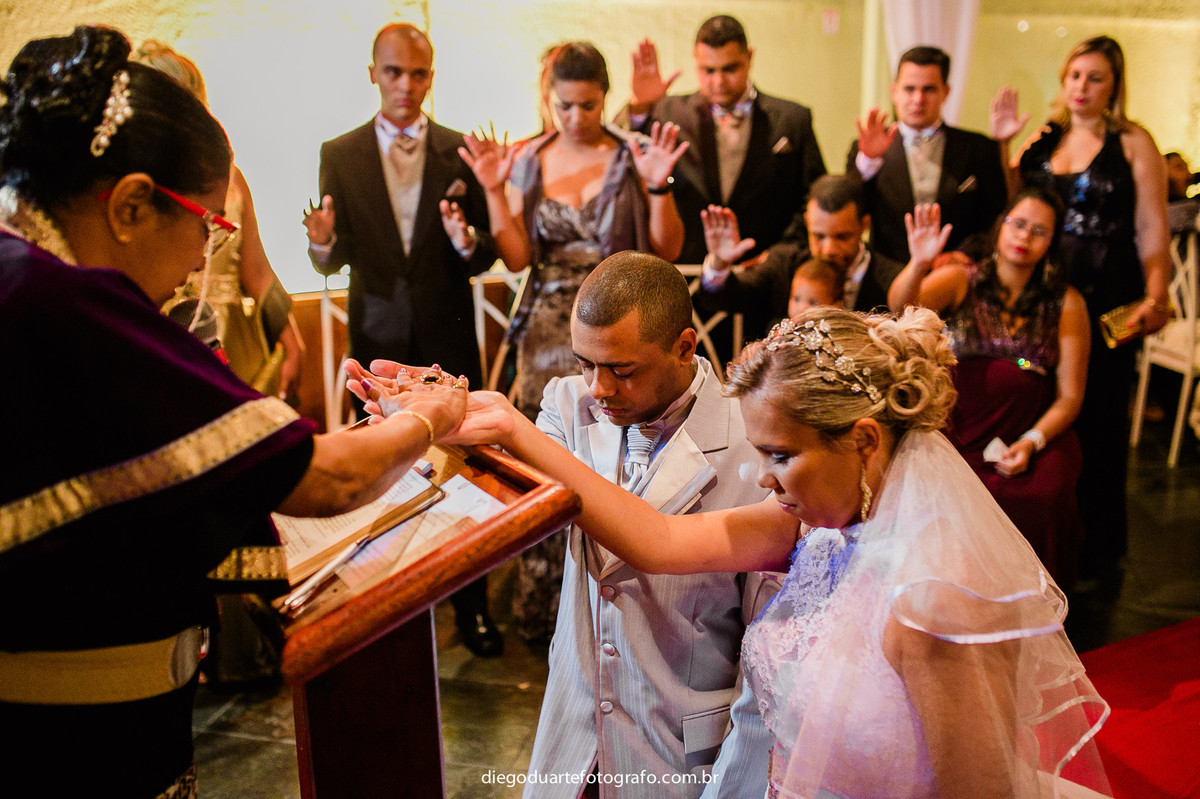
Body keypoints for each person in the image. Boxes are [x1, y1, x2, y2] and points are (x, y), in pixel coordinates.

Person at [361, 304, 1113, 797]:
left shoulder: (934, 602)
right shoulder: (812, 528)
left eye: (781, 455)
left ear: (863, 439)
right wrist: (498, 420)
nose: (761, 476)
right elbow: (654, 539)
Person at [0, 26, 470, 798]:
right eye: (206, 224)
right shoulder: (62, 302)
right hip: (69, 742)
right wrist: (432, 415)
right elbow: (329, 480)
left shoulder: (24, 267)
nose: (202, 255)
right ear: (130, 205)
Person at [354, 251, 774, 798]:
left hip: (680, 751)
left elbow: (761, 676)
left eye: (622, 370)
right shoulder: (567, 403)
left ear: (684, 347)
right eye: (584, 364)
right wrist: (440, 424)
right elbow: (511, 488)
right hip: (575, 735)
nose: (598, 388)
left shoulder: (754, 443)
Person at [459, 42, 687, 641]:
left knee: (618, 452)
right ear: (549, 99)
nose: (576, 118)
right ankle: (545, 606)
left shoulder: (632, 154)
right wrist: (493, 189)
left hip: (621, 324)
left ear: (605, 98)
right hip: (548, 325)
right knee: (547, 452)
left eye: (588, 105)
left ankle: (623, 595)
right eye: (564, 106)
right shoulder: (529, 159)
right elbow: (516, 258)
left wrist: (658, 187)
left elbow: (668, 250)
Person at [302, 23, 501, 655]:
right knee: (382, 464)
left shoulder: (459, 149)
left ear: (431, 77)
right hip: (378, 330)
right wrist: (322, 243)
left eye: (418, 74)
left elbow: (485, 253)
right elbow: (333, 257)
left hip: (447, 328)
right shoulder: (340, 151)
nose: (406, 86)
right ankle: (381, 601)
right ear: (373, 74)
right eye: (394, 72)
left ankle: (471, 606)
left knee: (464, 458)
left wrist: (468, 242)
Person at [992, 35, 1171, 584]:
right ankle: (1040, 535)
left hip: (1110, 296)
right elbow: (1015, 204)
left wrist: (1157, 294)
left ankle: (1097, 549)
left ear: (1114, 86)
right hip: (1047, 295)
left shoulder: (1133, 142)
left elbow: (1151, 226)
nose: (1082, 87)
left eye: (1095, 78)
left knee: (1101, 415)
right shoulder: (1045, 140)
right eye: (1074, 75)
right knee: (1043, 402)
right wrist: (1004, 145)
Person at [889, 191, 1089, 589]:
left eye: (1039, 231)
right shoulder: (962, 280)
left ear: (1052, 241)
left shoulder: (1066, 303)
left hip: (1030, 431)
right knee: (945, 494)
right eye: (1018, 224)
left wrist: (1032, 441)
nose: (1024, 237)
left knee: (1047, 493)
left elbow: (1070, 396)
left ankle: (1036, 600)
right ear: (1001, 226)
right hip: (960, 429)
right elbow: (900, 309)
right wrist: (919, 264)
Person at [135, 40, 304, 403]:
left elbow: (256, 269)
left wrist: (290, 336)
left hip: (232, 338)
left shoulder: (231, 177)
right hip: (163, 330)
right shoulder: (137, 185)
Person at [618, 15, 827, 265]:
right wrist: (640, 105)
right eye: (708, 70)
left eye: (730, 69)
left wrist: (778, 256)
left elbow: (813, 199)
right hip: (687, 269)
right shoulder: (668, 112)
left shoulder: (793, 119)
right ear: (695, 61)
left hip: (766, 270)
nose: (718, 81)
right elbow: (619, 160)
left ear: (749, 57)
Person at [848, 45, 1008, 264]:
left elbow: (996, 217)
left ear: (946, 92)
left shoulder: (979, 147)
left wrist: (962, 255)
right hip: (887, 273)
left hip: (955, 272)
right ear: (894, 92)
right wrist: (869, 161)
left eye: (929, 89)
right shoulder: (866, 149)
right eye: (909, 89)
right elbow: (850, 213)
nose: (918, 99)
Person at [694, 174, 904, 339]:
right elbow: (725, 298)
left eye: (842, 237)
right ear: (807, 222)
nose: (829, 249)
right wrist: (719, 263)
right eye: (819, 236)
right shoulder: (784, 264)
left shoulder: (892, 279)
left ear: (864, 225)